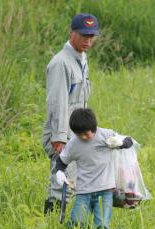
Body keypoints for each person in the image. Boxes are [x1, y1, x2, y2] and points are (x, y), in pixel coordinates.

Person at [42, 13, 99, 214]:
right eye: (83, 35)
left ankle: (61, 225)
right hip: (62, 133)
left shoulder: (81, 60)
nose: (88, 40)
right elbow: (57, 102)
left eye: (92, 36)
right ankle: (52, 225)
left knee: (75, 179)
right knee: (63, 179)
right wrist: (59, 137)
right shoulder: (61, 63)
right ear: (71, 33)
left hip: (76, 131)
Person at [55, 108, 133, 229]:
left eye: (86, 134)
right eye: (79, 135)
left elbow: (129, 141)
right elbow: (61, 161)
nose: (84, 137)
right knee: (76, 222)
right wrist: (59, 172)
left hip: (105, 190)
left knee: (102, 225)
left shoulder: (106, 135)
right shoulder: (73, 144)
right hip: (83, 190)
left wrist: (120, 143)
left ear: (94, 128)